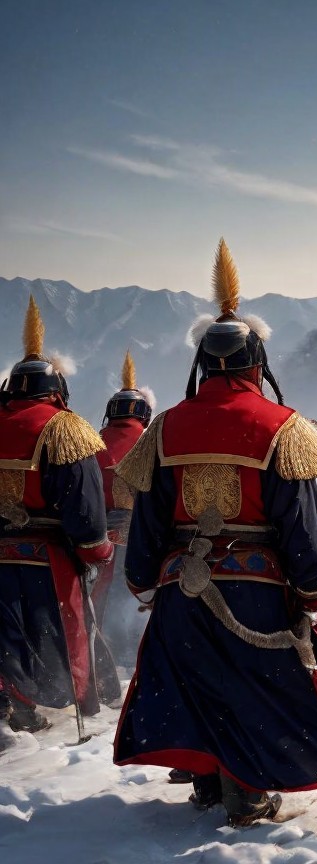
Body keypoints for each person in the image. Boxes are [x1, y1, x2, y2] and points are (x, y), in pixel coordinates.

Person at [113, 239, 317, 828]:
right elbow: (300, 518)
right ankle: (245, 790)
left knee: (197, 676)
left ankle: (207, 780)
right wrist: (316, 587)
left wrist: (143, 577)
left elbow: (149, 517)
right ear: (256, 363)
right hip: (257, 590)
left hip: (181, 588)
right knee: (252, 687)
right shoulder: (281, 428)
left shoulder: (165, 429)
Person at [0, 297, 114, 733]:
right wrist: (95, 551)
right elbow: (84, 507)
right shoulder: (64, 429)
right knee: (57, 641)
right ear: (56, 389)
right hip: (47, 560)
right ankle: (46, 711)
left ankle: (13, 706)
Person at [92, 349, 154, 664]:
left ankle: (104, 655)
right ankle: (131, 656)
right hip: (142, 534)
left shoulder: (91, 442)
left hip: (97, 536)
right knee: (135, 596)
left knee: (100, 599)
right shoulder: (153, 443)